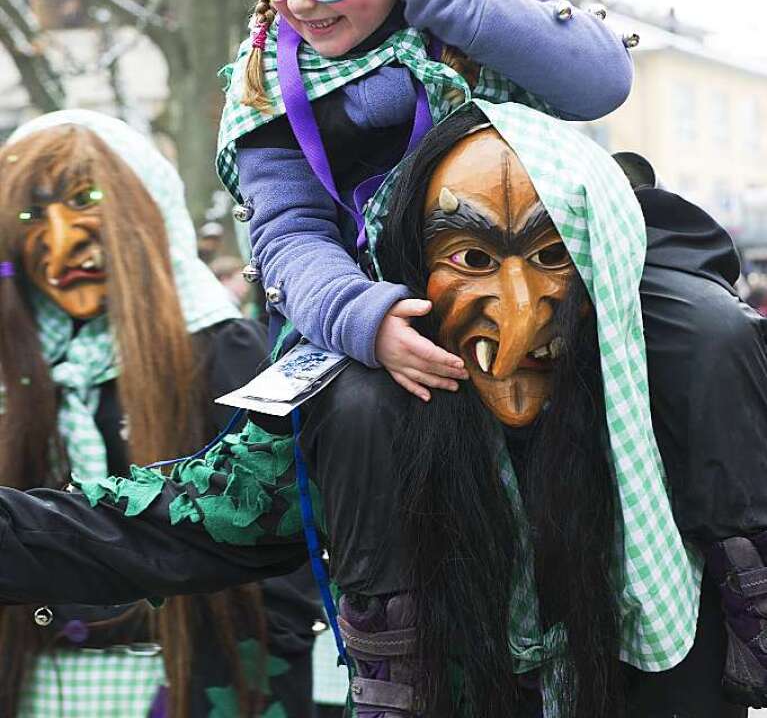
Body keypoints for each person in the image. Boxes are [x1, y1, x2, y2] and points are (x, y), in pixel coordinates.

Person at [0, 102, 763, 716]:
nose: (521, 313)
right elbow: (151, 528)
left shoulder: (687, 397)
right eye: (469, 259)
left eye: (553, 255)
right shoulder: (368, 422)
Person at [219, 0, 635, 401]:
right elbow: (290, 231)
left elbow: (601, 83)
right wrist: (361, 318)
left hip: (552, 277)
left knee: (707, 332)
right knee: (360, 411)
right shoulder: (264, 79)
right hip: (376, 303)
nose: (299, 5)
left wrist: (457, 6)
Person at [0, 111, 319, 718]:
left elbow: (276, 557)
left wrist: (237, 697)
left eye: (85, 200)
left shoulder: (224, 352)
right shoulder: (17, 374)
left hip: (191, 685)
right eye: (30, 213)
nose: (61, 240)